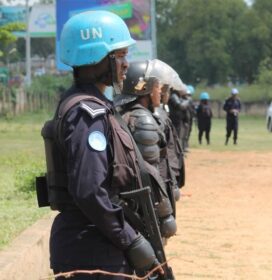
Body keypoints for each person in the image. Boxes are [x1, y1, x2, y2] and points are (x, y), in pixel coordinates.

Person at [40, 11, 162, 279]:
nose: (126, 64)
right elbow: (90, 190)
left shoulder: (95, 106)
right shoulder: (86, 113)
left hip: (99, 243)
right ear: (97, 57)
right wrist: (130, 240)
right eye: (120, 55)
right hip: (92, 248)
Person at [115, 60, 177, 241]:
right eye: (157, 87)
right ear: (145, 89)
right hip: (141, 209)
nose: (160, 91)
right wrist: (165, 214)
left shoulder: (123, 113)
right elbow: (148, 173)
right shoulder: (143, 120)